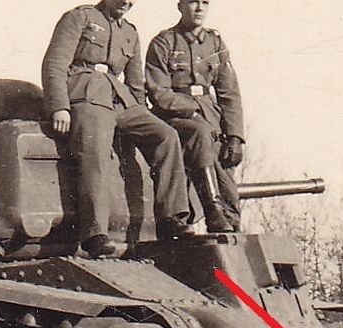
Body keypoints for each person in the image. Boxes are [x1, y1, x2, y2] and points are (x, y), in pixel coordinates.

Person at [43, 0, 194, 257]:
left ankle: (171, 218)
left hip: (121, 100)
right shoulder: (81, 17)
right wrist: (59, 107)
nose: (126, 2)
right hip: (86, 96)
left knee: (166, 136)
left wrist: (142, 115)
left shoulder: (130, 32)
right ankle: (95, 234)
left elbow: (135, 84)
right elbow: (54, 64)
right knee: (96, 152)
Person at [145, 0, 244, 232]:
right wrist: (192, 113)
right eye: (193, 2)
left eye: (204, 2)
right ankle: (213, 211)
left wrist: (235, 137)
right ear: (180, 6)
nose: (199, 8)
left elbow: (229, 92)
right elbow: (159, 93)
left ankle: (229, 221)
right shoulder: (164, 42)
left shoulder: (215, 43)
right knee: (198, 133)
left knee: (224, 164)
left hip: (211, 116)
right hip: (175, 116)